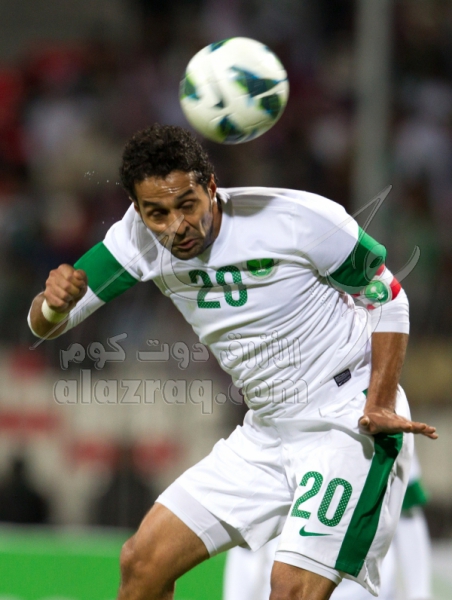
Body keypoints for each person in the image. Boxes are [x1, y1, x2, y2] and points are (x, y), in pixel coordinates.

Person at [28, 124, 437, 600]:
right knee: (143, 561)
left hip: (346, 417)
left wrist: (381, 400)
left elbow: (387, 296)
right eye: (157, 213)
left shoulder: (295, 218)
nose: (177, 225)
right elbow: (45, 324)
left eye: (187, 205)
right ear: (138, 210)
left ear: (211, 187)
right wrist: (53, 305)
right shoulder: (136, 239)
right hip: (266, 430)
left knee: (291, 589)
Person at [223, 452, 432, 600]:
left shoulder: (385, 422)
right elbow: (249, 533)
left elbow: (407, 515)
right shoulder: (278, 422)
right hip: (291, 589)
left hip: (368, 592)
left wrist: (419, 593)